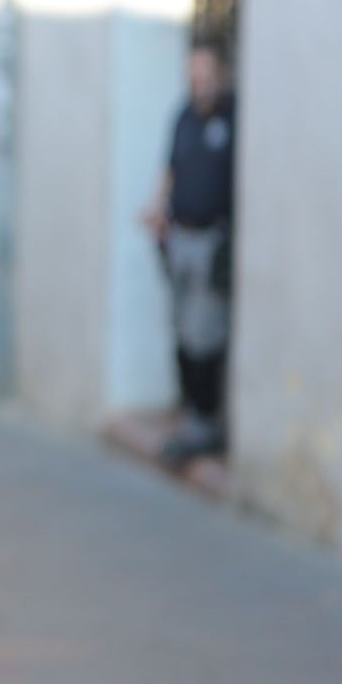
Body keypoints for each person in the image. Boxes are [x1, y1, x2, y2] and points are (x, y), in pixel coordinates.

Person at [142, 39, 235, 464]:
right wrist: (157, 207)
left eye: (205, 76)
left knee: (205, 332)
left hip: (213, 241)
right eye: (193, 76)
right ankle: (191, 413)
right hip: (179, 237)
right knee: (181, 328)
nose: (199, 84)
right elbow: (171, 169)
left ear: (221, 75)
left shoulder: (233, 118)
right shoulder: (183, 116)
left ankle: (206, 422)